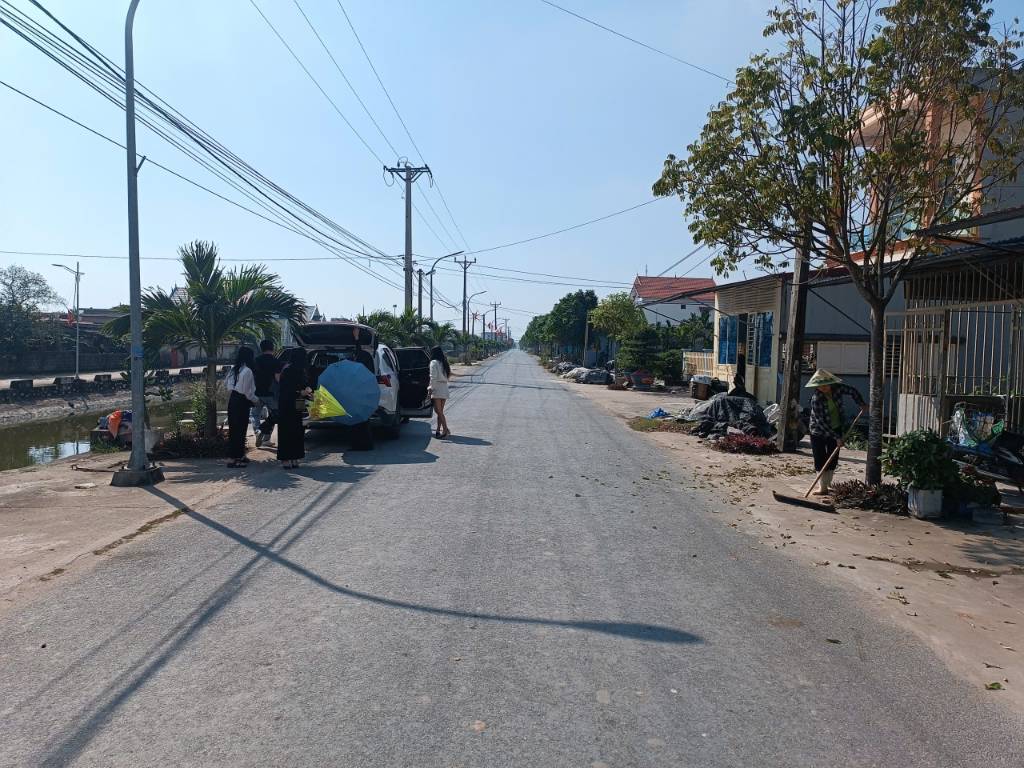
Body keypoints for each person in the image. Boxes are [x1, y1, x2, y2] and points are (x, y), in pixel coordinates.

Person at [806, 369, 866, 495]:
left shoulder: (837, 388)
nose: (824, 388)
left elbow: (852, 391)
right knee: (820, 458)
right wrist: (836, 437)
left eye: (826, 385)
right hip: (818, 430)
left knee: (833, 457)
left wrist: (861, 403)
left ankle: (828, 484)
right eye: (820, 386)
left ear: (830, 383)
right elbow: (820, 422)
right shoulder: (816, 399)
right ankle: (822, 487)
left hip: (836, 427)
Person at [224, 346, 260, 468]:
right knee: (240, 430)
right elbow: (247, 392)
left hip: (233, 400)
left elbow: (227, 385)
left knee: (234, 429)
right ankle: (238, 458)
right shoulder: (248, 371)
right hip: (242, 401)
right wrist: (256, 400)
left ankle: (233, 457)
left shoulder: (234, 369)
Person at [277, 347, 312, 469]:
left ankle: (295, 456)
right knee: (287, 430)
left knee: (298, 429)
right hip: (287, 403)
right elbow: (285, 389)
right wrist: (300, 392)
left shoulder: (302, 370)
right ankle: (285, 458)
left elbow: (305, 385)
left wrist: (308, 391)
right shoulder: (287, 370)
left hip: (299, 402)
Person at [251, 339, 282, 447]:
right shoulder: (276, 361)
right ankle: (266, 438)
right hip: (271, 393)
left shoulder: (256, 360)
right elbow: (278, 378)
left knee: (255, 414)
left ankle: (257, 431)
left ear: (261, 348)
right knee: (273, 415)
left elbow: (252, 377)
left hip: (257, 393)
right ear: (272, 348)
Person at [428, 345, 451, 439]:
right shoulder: (444, 362)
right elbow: (448, 375)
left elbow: (433, 377)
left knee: (438, 411)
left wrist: (430, 388)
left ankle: (445, 430)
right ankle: (438, 430)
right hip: (444, 387)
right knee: (440, 411)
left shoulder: (433, 362)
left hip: (437, 387)